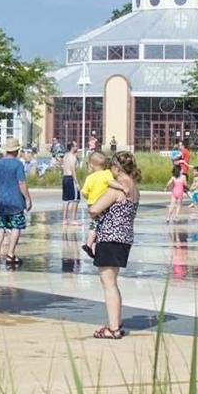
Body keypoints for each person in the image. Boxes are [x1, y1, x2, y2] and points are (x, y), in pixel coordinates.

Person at [87, 150, 141, 340]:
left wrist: (93, 205)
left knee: (109, 284)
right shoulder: (134, 189)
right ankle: (116, 323)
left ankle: (113, 328)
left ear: (117, 168)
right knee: (112, 283)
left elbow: (94, 210)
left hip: (109, 238)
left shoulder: (116, 191)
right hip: (124, 238)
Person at [0, 138, 31, 266]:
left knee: (0, 226)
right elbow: (21, 183)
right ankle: (10, 254)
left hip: (1, 200)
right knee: (16, 227)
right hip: (15, 201)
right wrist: (28, 198)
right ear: (16, 150)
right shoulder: (18, 164)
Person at [59, 146, 81, 226]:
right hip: (71, 178)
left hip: (65, 177)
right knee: (76, 199)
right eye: (75, 146)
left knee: (66, 200)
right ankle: (73, 219)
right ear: (72, 147)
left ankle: (64, 220)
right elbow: (73, 170)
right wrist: (77, 183)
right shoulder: (73, 157)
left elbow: (62, 167)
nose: (77, 147)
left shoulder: (66, 155)